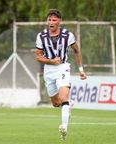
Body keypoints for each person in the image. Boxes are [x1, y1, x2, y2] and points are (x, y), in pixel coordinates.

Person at [35, 9, 87, 140]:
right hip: (48, 69)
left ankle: (64, 127)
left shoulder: (67, 35)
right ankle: (69, 104)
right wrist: (51, 61)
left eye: (54, 20)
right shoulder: (41, 36)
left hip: (63, 67)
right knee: (55, 103)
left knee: (63, 97)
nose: (51, 22)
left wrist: (81, 70)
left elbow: (76, 50)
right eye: (49, 20)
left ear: (59, 21)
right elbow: (38, 56)